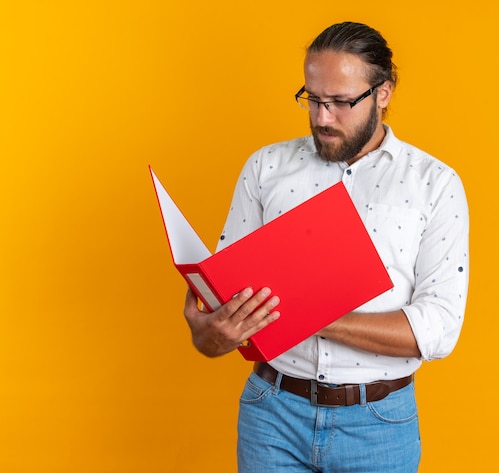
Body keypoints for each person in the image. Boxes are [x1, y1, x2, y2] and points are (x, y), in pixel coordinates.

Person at [183, 21, 469, 472]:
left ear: (383, 93)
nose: (322, 117)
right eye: (313, 99)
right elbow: (222, 313)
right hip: (270, 413)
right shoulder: (265, 168)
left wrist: (314, 314)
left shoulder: (434, 184)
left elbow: (438, 328)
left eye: (340, 102)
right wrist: (210, 333)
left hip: (379, 425)